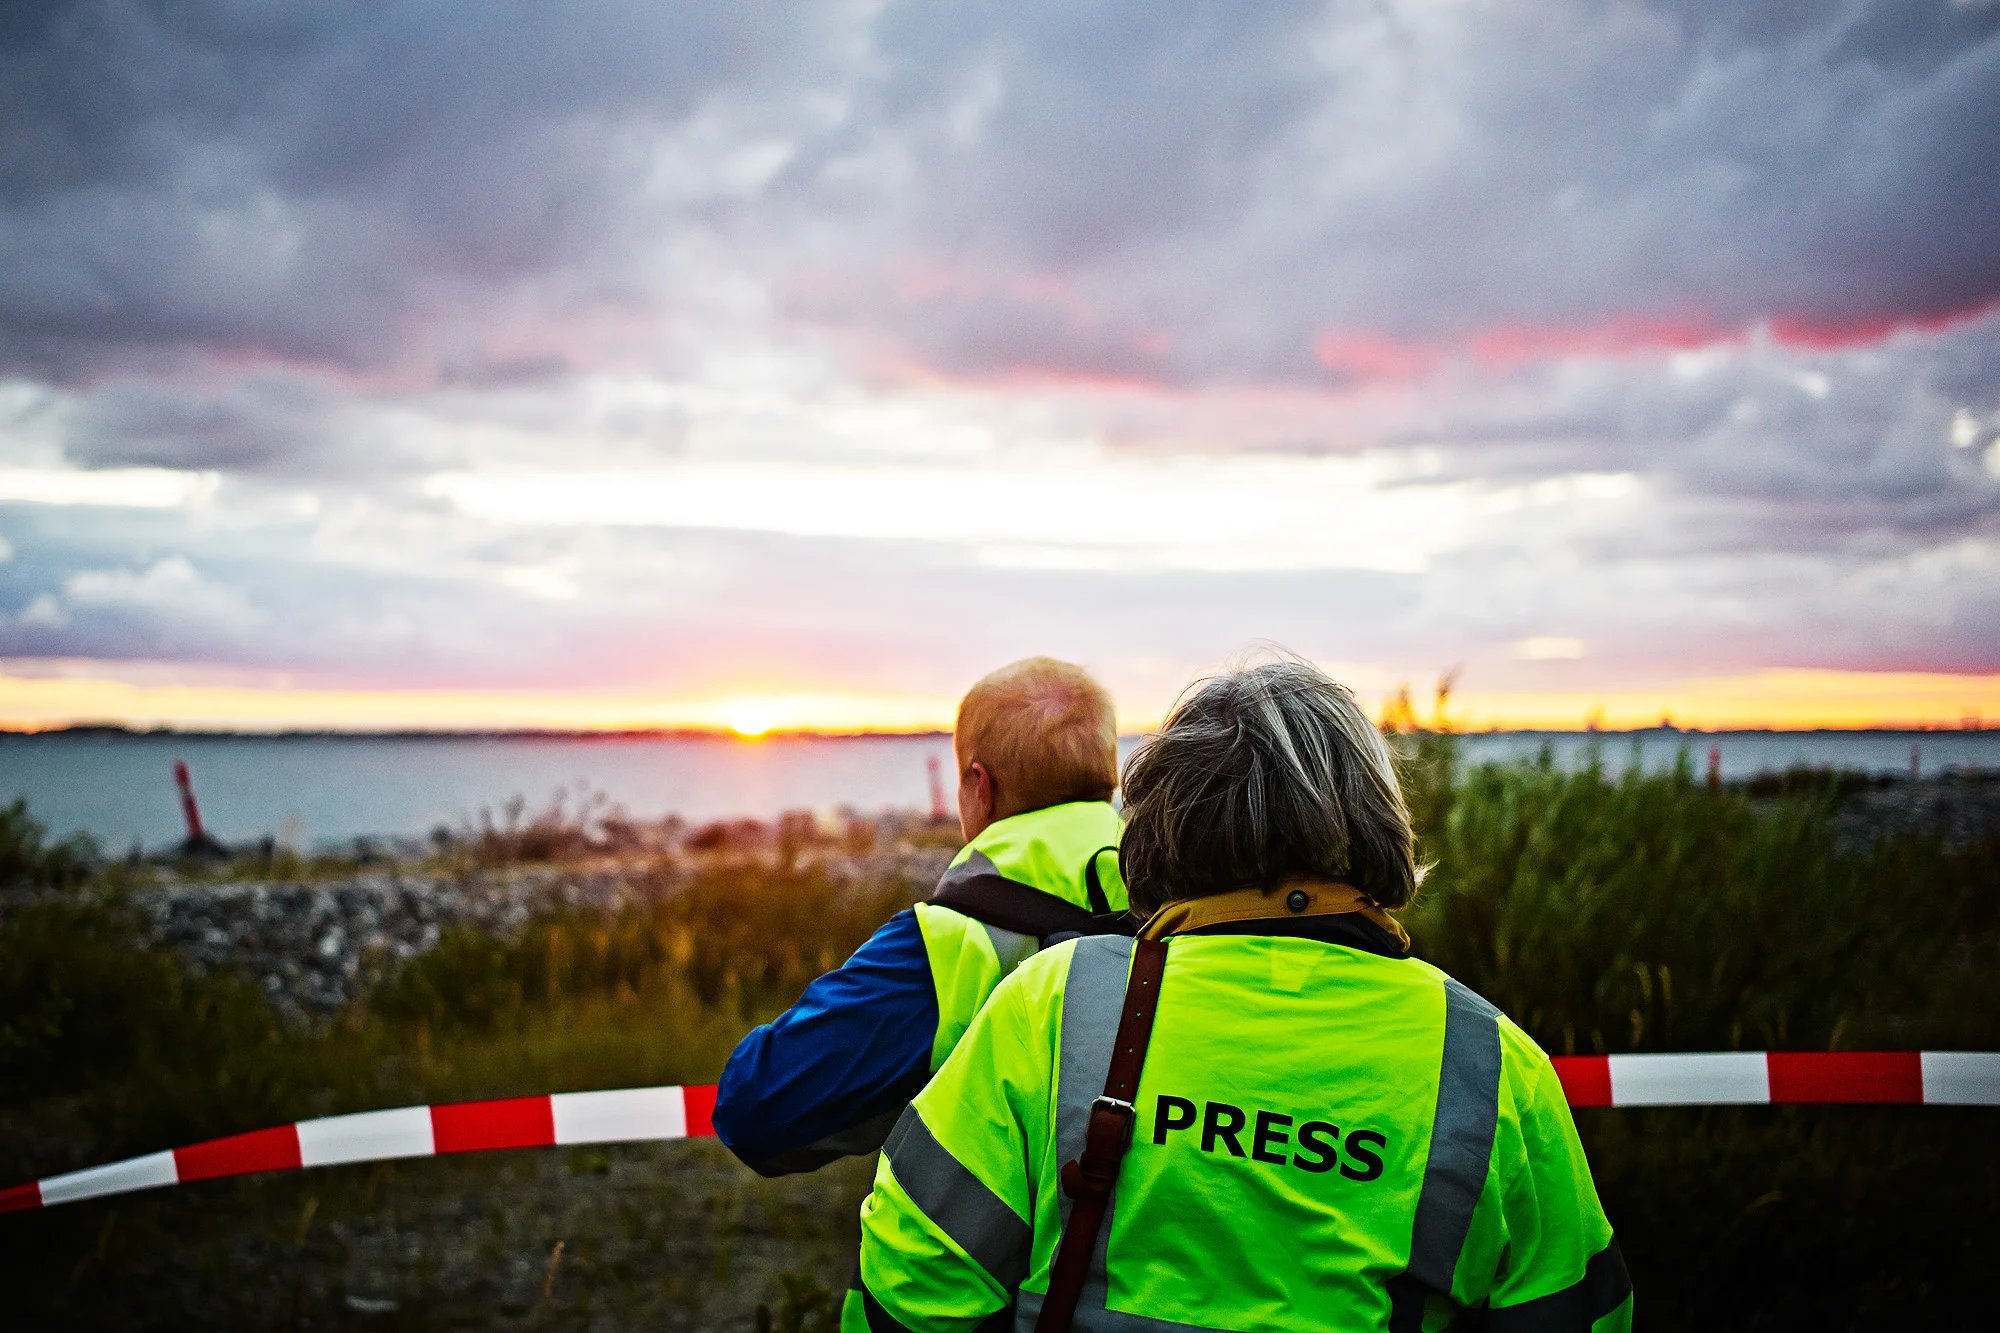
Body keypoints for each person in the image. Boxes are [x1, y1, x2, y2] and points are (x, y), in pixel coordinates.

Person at [854, 659, 1632, 1332]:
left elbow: (913, 1274)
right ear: (1381, 822)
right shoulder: (1491, 1061)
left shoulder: (1057, 1004)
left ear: (1160, 826)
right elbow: (1581, 1313)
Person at [712, 657, 1131, 1178]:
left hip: (1001, 1259)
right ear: (1108, 783)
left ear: (981, 788)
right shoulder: (1181, 906)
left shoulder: (955, 944)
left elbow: (756, 1108)